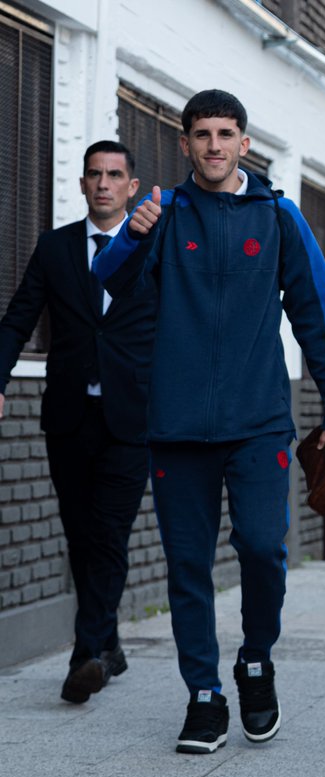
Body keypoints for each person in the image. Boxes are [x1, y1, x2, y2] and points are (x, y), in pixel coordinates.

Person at [93, 90, 325, 755]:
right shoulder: (163, 214)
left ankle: (256, 659)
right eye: (202, 134)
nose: (214, 145)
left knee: (265, 549)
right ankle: (204, 694)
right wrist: (133, 232)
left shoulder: (279, 218)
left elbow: (318, 317)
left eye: (226, 133)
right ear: (184, 145)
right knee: (187, 564)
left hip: (260, 421)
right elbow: (107, 278)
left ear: (245, 143)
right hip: (176, 427)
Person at [0, 141, 156, 704]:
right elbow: (18, 319)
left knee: (110, 533)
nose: (105, 184)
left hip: (132, 417)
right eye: (96, 174)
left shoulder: (153, 248)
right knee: (80, 535)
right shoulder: (55, 247)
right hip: (69, 415)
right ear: (84, 183)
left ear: (131, 186)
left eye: (116, 175)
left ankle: (85, 654)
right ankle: (109, 642)